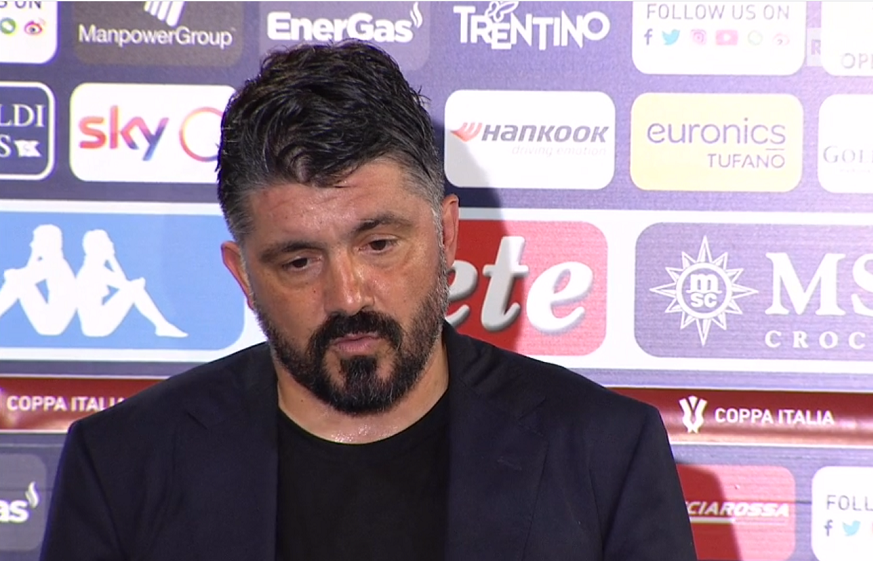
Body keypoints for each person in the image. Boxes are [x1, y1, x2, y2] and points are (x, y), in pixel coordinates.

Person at [40, 41, 696, 560]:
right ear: (243, 275)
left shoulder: (604, 452)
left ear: (447, 235)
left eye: (379, 244)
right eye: (299, 261)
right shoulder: (122, 464)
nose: (348, 295)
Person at [75, 229, 187, 338]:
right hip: (96, 326)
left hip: (95, 326)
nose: (111, 244)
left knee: (134, 288)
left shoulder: (96, 268)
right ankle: (162, 326)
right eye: (107, 242)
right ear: (98, 248)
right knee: (135, 288)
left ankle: (162, 325)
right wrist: (112, 258)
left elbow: (122, 282)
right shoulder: (94, 270)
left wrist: (111, 258)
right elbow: (125, 284)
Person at [0, 224, 77, 336]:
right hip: (52, 322)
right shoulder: (56, 262)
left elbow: (24, 276)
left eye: (35, 241)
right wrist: (34, 256)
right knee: (18, 280)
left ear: (46, 244)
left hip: (51, 324)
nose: (32, 244)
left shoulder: (54, 264)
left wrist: (11, 274)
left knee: (16, 281)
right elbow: (28, 273)